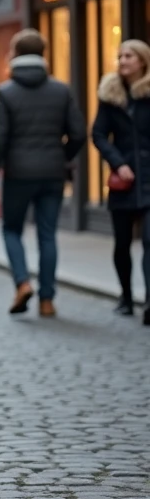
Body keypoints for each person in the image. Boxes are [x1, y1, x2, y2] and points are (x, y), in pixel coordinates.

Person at [0, 29, 86, 319]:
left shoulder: (6, 92)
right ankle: (47, 300)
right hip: (53, 172)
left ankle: (22, 283)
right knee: (47, 234)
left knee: (11, 229)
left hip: (18, 174)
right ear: (43, 54)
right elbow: (78, 133)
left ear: (15, 54)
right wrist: (62, 156)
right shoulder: (61, 90)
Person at [90, 39, 150, 323]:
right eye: (121, 56)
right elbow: (98, 134)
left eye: (129, 56)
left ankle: (149, 301)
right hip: (123, 181)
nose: (123, 60)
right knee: (122, 242)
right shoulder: (110, 95)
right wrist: (118, 162)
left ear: (142, 61)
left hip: (149, 178)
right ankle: (126, 297)